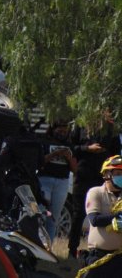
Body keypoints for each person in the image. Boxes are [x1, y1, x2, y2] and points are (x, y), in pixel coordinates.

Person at [68, 115, 121, 258]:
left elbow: (116, 154)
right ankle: (72, 250)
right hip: (83, 174)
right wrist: (87, 148)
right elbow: (71, 148)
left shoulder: (111, 129)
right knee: (78, 214)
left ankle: (103, 248)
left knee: (105, 212)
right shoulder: (80, 125)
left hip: (104, 178)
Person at [76, 155, 122, 277]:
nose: (120, 177)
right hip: (99, 257)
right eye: (117, 173)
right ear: (106, 174)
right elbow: (95, 220)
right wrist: (117, 217)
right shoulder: (96, 192)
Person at [38, 121, 77, 240]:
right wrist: (55, 154)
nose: (62, 133)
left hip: (62, 182)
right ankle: (38, 242)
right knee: (41, 214)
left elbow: (75, 169)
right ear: (53, 130)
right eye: (60, 130)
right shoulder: (45, 142)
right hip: (45, 179)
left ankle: (49, 246)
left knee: (54, 217)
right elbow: (39, 162)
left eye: (65, 131)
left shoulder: (69, 145)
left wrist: (68, 157)